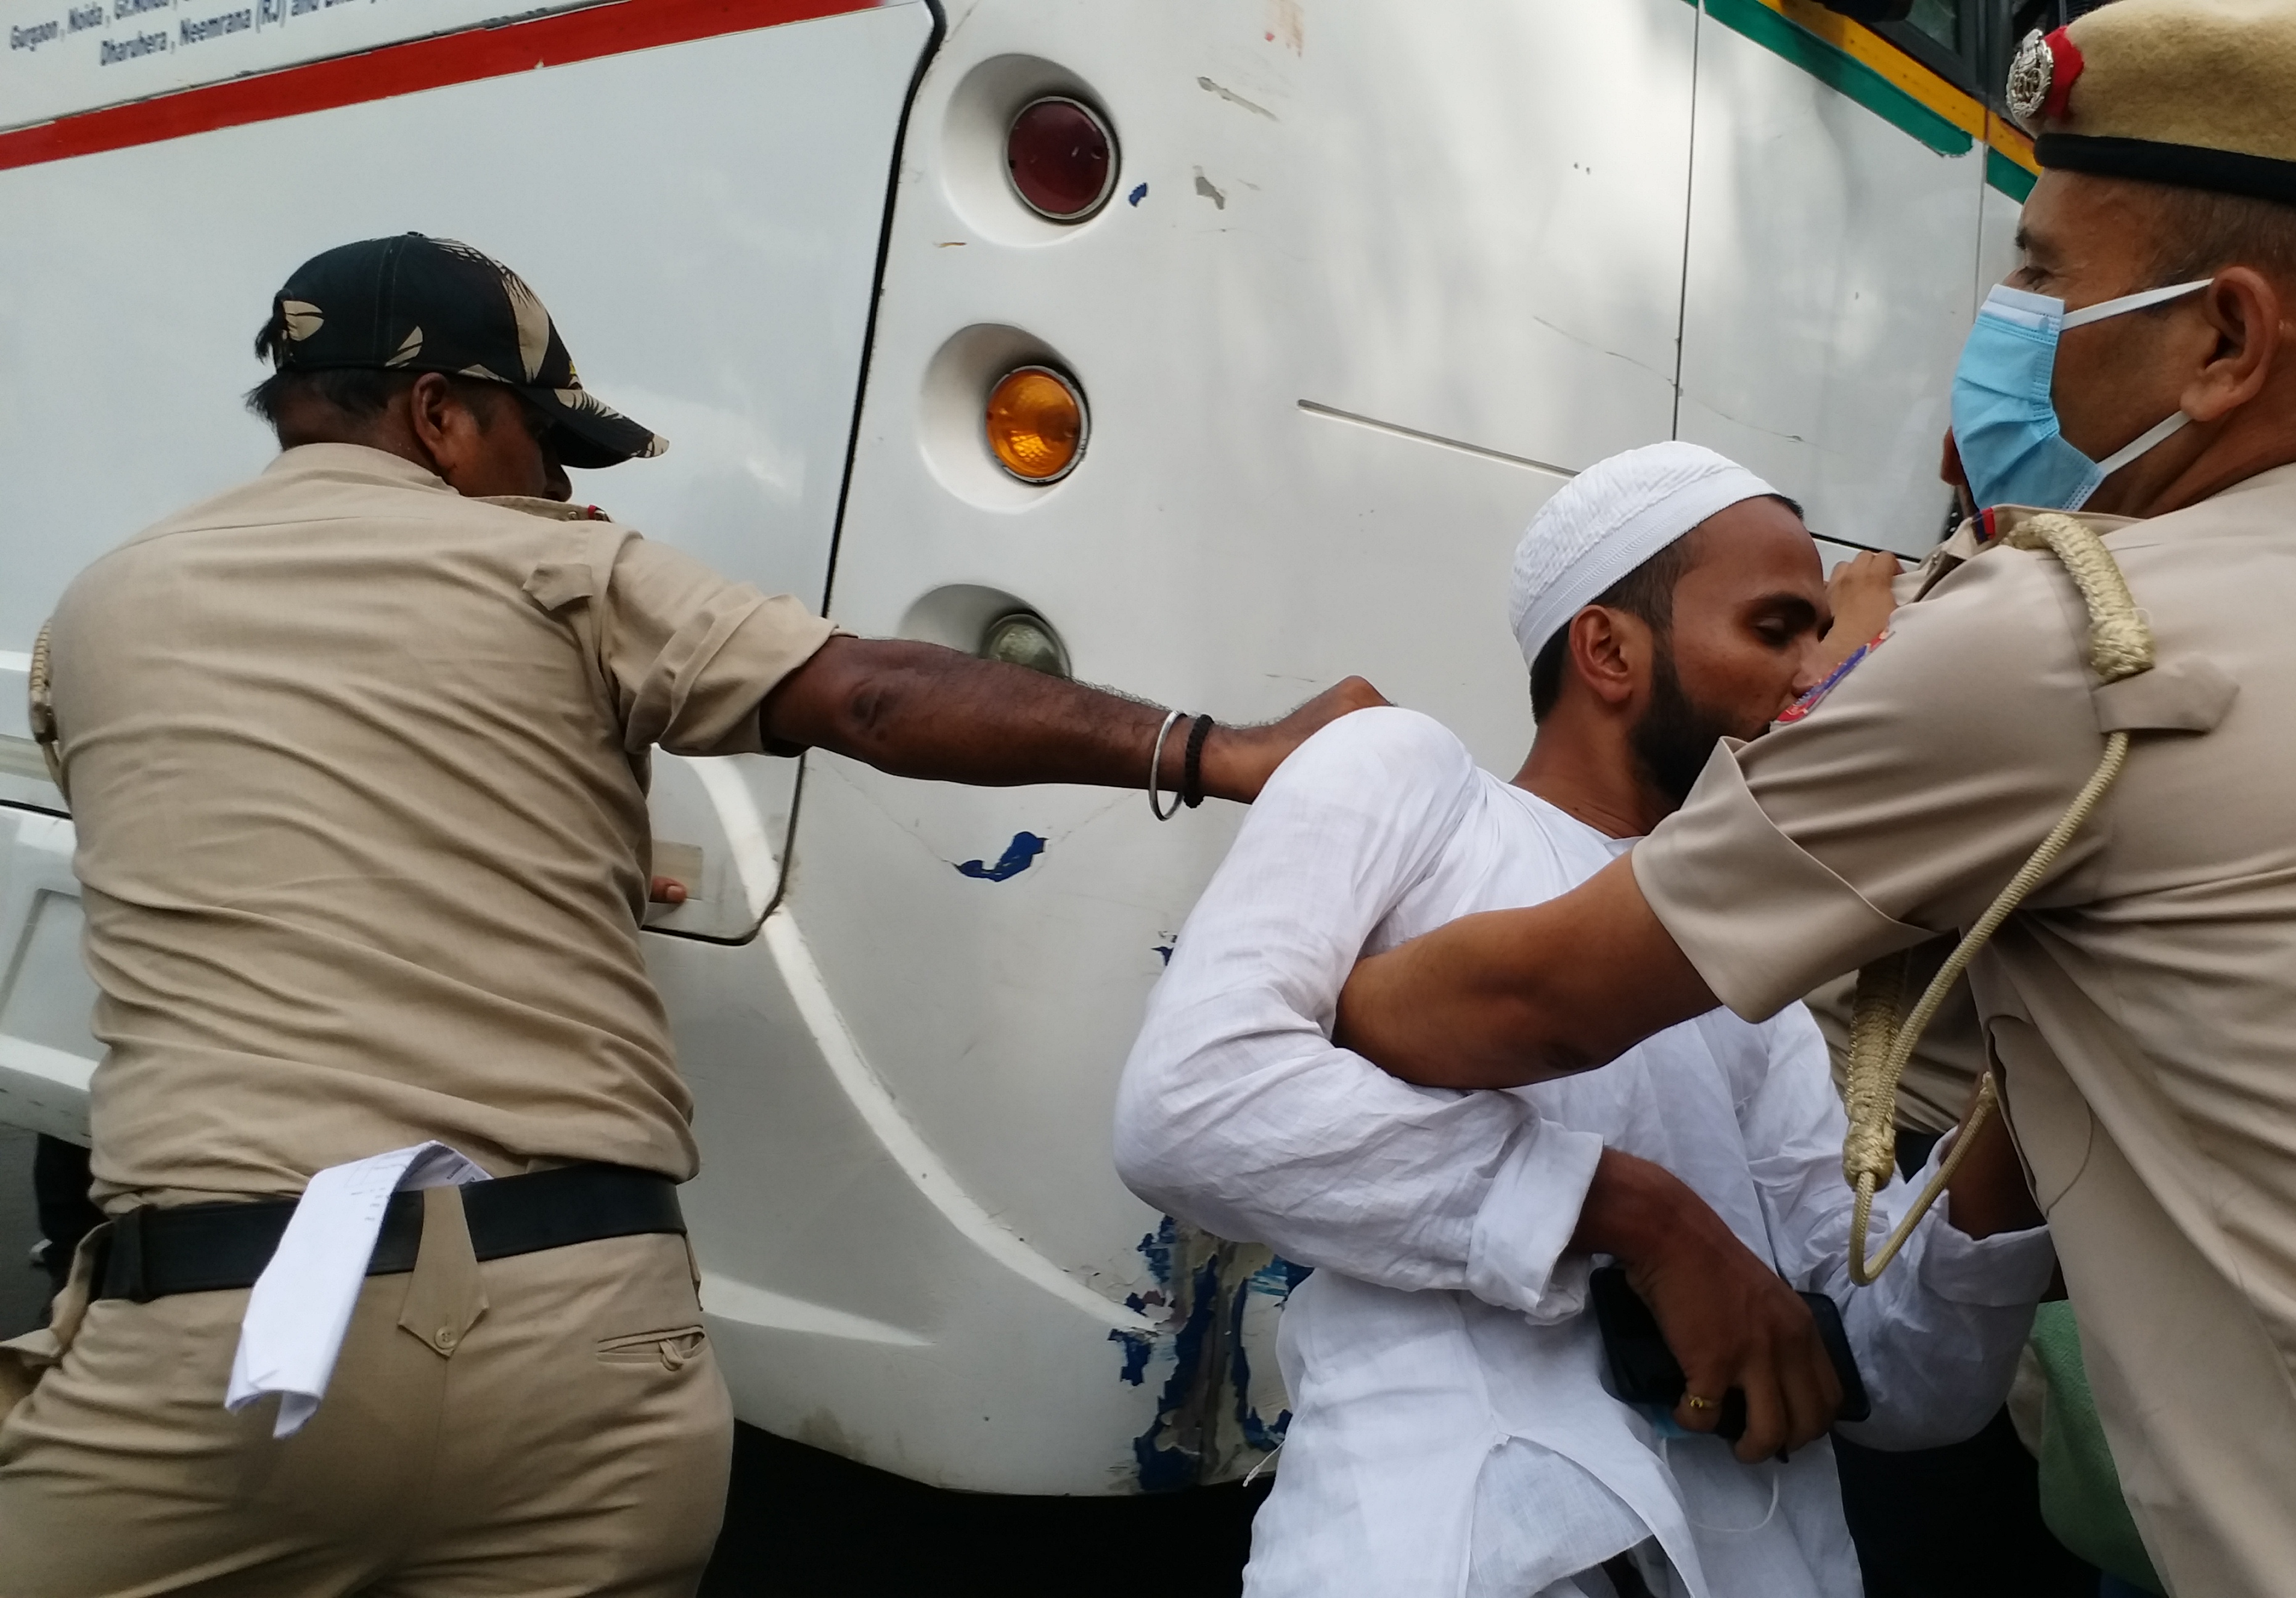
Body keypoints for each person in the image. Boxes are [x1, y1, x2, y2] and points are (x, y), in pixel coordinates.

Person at [1326, 2, 2296, 1592]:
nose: (2004, 317)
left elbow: (1521, 1006)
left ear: (2227, 340)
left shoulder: (2085, 636)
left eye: (2043, 271)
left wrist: (1303, 859)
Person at [0, 234, 1378, 1596]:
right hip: (583, 1357)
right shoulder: (561, 574)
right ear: (440, 415)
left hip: (214, 1341)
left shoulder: (99, 610)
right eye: (543, 446)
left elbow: (251, 830)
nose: (551, 486)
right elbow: (876, 698)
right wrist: (1229, 751)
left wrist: (559, 841)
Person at [1114, 441, 2056, 1598]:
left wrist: (2028, 1094)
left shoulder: (1742, 969)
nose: (1816, 675)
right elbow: (1193, 1102)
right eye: (1775, 630)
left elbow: (1898, 1385)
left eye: (1819, 632)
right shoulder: (1407, 777)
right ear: (1608, 650)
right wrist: (1635, 1214)